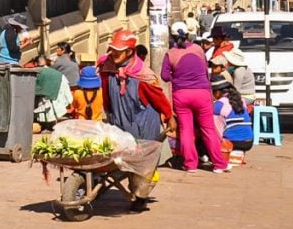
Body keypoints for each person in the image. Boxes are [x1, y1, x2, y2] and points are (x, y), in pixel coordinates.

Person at [97, 30, 173, 211]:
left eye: (119, 50)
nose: (113, 53)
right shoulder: (108, 70)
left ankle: (140, 197)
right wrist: (108, 113)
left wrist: (169, 116)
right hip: (119, 120)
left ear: (130, 52)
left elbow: (158, 98)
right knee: (120, 156)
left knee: (142, 163)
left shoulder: (143, 76)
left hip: (143, 123)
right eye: (112, 49)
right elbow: (106, 94)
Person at [161, 30, 230, 173]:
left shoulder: (170, 53)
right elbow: (205, 69)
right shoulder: (198, 49)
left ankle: (190, 164)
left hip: (181, 95)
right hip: (202, 93)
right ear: (188, 36)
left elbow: (164, 76)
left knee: (186, 129)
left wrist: (177, 78)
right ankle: (219, 164)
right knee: (208, 129)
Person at [211, 76, 253, 153]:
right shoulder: (241, 100)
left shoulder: (218, 105)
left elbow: (217, 131)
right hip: (249, 142)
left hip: (232, 142)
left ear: (217, 92)